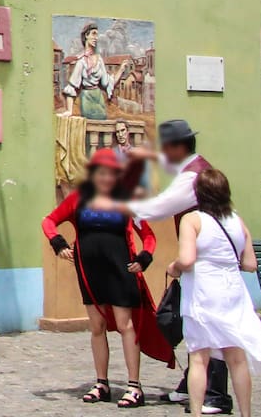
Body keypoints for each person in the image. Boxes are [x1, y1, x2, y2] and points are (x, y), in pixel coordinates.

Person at [94, 119, 234, 414]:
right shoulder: (196, 171)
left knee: (207, 323)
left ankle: (216, 394)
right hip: (201, 259)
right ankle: (193, 384)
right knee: (196, 319)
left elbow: (159, 207)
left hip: (206, 260)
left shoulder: (192, 178)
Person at [170, 168, 261, 417]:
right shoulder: (236, 220)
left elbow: (187, 259)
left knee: (199, 357)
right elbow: (251, 264)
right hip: (232, 292)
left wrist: (174, 267)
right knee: (236, 357)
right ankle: (246, 414)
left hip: (203, 292)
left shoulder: (193, 220)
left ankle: (197, 413)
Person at [43, 148, 167, 406]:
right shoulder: (78, 198)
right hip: (89, 272)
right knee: (97, 327)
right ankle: (102, 383)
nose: (106, 178)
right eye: (101, 172)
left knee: (125, 326)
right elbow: (49, 221)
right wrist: (58, 243)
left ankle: (134, 387)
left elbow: (149, 236)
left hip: (120, 270)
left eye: (111, 173)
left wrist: (144, 258)